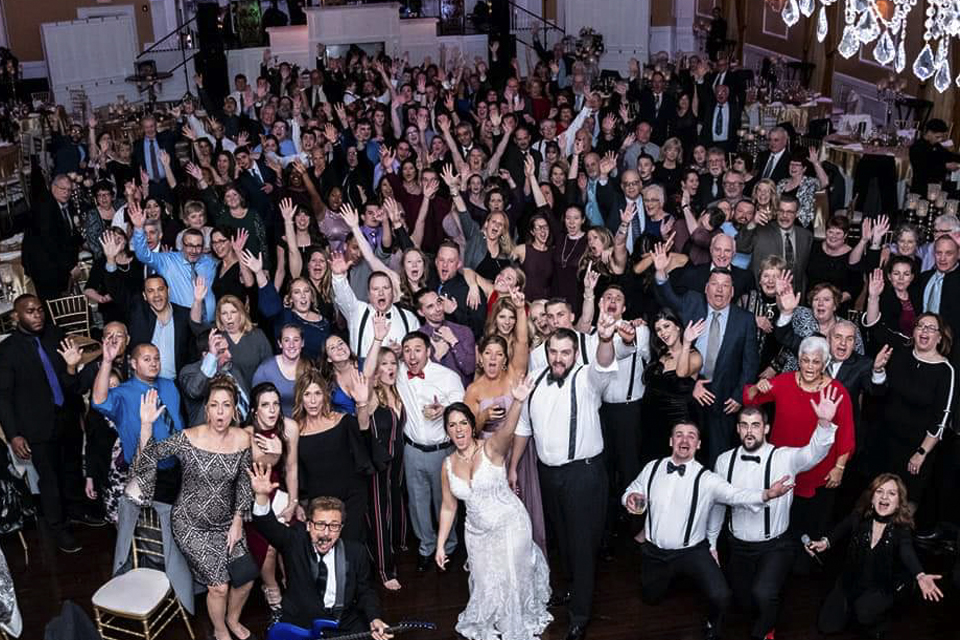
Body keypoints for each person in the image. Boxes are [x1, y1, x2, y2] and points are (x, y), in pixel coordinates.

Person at [622, 421, 795, 640]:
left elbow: (735, 495)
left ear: (699, 444)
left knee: (721, 596)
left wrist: (766, 495)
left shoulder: (707, 479)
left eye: (691, 436)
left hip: (691, 552)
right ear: (671, 441)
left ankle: (713, 626)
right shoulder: (652, 468)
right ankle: (667, 581)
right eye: (679, 435)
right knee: (650, 596)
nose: (685, 440)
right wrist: (629, 498)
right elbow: (632, 489)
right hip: (654, 553)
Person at [513, 316, 624, 640]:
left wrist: (604, 339)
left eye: (565, 352)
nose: (559, 358)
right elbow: (523, 428)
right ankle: (573, 590)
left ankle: (580, 614)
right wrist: (512, 466)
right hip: (548, 473)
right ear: (546, 353)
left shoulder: (586, 378)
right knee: (561, 539)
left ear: (575, 354)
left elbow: (604, 366)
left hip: (583, 473)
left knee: (581, 543)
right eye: (554, 352)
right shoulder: (534, 380)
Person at [708, 397, 840, 640]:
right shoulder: (724, 461)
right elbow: (718, 503)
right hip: (738, 545)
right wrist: (712, 543)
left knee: (763, 593)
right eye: (744, 425)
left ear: (766, 428)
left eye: (755, 425)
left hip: (775, 545)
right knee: (744, 601)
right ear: (737, 429)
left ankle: (765, 631)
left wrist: (823, 423)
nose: (749, 431)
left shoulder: (784, 458)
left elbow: (813, 453)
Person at [133, 380, 255, 640]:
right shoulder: (188, 438)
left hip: (226, 522)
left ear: (235, 411)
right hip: (191, 524)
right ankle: (220, 630)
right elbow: (151, 455)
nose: (220, 412)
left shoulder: (243, 438)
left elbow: (245, 483)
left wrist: (238, 521)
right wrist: (145, 425)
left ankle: (232, 620)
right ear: (206, 410)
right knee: (220, 586)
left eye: (226, 405)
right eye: (214, 405)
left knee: (245, 577)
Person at [437, 399, 553, 640]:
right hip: (476, 533)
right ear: (447, 431)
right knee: (486, 584)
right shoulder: (447, 465)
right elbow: (449, 507)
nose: (458, 429)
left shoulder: (491, 449)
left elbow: (508, 429)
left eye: (463, 423)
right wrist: (440, 546)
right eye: (452, 425)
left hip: (510, 524)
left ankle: (515, 626)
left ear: (472, 425)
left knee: (511, 580)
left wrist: (519, 401)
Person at [743, 336, 856, 572]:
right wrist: (758, 386)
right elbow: (750, 399)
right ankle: (780, 562)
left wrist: (840, 467)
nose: (810, 367)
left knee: (812, 523)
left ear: (825, 363)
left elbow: (847, 433)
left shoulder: (837, 391)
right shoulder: (784, 382)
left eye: (816, 361)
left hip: (820, 471)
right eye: (805, 360)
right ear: (799, 360)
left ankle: (805, 564)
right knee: (784, 519)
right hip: (784, 468)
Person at [249, 466, 392, 639]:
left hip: (343, 623)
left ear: (341, 528)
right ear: (308, 525)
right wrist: (262, 496)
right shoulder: (295, 542)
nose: (326, 533)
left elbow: (365, 591)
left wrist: (374, 618)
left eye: (333, 526)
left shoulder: (356, 552)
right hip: (301, 625)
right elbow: (267, 525)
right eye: (320, 524)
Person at [653, 243, 759, 465]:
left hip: (725, 399)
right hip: (689, 398)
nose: (719, 290)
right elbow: (668, 299)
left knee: (719, 459)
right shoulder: (692, 303)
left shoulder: (745, 320)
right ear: (706, 288)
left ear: (732, 291)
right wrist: (661, 272)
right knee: (687, 455)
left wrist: (740, 395)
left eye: (725, 286)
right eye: (714, 284)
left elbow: (750, 363)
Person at [807, 474, 945, 636]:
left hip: (882, 585)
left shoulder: (902, 529)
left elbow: (907, 551)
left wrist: (920, 575)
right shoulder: (859, 518)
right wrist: (824, 542)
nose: (884, 497)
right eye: (879, 491)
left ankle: (879, 617)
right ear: (872, 497)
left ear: (899, 502)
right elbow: (839, 530)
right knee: (826, 626)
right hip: (850, 582)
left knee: (865, 613)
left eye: (892, 493)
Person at [0, 295, 85, 552]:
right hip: (36, 425)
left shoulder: (57, 335)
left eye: (39, 310)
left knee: (71, 469)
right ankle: (57, 528)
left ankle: (76, 513)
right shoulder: (8, 350)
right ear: (17, 317)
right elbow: (3, 397)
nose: (37, 315)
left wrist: (72, 369)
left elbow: (72, 385)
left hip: (67, 417)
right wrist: (13, 435)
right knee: (48, 479)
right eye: (30, 311)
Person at [396, 330, 464, 571]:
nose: (412, 356)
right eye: (407, 350)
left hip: (442, 451)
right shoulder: (398, 374)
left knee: (445, 501)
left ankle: (449, 546)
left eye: (418, 349)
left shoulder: (447, 376)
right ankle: (426, 548)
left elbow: (461, 407)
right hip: (412, 450)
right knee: (417, 503)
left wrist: (443, 409)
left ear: (428, 351)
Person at [294, 367, 372, 542]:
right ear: (300, 398)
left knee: (352, 549)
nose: (313, 401)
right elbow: (293, 470)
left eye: (317, 393)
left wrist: (362, 403)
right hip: (320, 505)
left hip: (351, 498)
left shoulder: (342, 421)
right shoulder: (295, 431)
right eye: (307, 394)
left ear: (325, 396)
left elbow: (364, 432)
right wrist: (297, 502)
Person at [359, 315, 408, 590]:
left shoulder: (398, 393)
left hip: (396, 464)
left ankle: (392, 550)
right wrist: (377, 339)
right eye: (384, 364)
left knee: (393, 508)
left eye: (393, 364)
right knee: (378, 514)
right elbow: (365, 376)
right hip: (377, 464)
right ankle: (384, 570)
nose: (389, 368)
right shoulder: (373, 394)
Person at [242, 382, 299, 612]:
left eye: (275, 404)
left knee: (292, 536)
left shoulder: (290, 427)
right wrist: (275, 452)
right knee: (269, 547)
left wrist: (294, 502)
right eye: (265, 405)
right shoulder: (247, 433)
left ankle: (294, 584)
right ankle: (270, 585)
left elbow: (292, 467)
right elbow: (260, 466)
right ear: (255, 410)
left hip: (280, 490)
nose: (273, 410)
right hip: (255, 493)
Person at [130, 201, 219, 320]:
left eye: (198, 246)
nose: (194, 250)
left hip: (210, 322)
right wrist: (138, 228)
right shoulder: (167, 260)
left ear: (203, 247)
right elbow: (143, 255)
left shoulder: (209, 262)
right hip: (182, 322)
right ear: (182, 245)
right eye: (189, 245)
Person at [736, 195, 813, 295]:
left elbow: (804, 272)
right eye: (781, 211)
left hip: (793, 297)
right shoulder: (761, 230)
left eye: (789, 212)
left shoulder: (806, 236)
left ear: (797, 213)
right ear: (776, 211)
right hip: (761, 296)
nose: (784, 215)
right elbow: (741, 247)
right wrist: (752, 223)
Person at [22, 174, 82, 299]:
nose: (66, 193)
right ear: (53, 188)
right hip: (43, 265)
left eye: (69, 190)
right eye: (63, 189)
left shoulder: (65, 202)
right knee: (52, 304)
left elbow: (70, 231)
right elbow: (49, 242)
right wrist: (70, 265)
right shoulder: (45, 206)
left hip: (56, 261)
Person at [415, 290, 476, 388]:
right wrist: (437, 357)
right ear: (421, 312)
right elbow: (419, 379)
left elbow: (470, 369)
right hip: (434, 398)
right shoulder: (417, 339)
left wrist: (454, 341)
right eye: (430, 306)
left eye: (438, 302)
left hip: (463, 398)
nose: (438, 309)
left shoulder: (463, 331)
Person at [252, 324, 311, 417]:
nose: (291, 345)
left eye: (296, 340)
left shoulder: (309, 368)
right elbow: (255, 404)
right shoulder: (265, 369)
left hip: (306, 422)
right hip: (276, 424)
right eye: (286, 340)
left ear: (302, 343)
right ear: (280, 343)